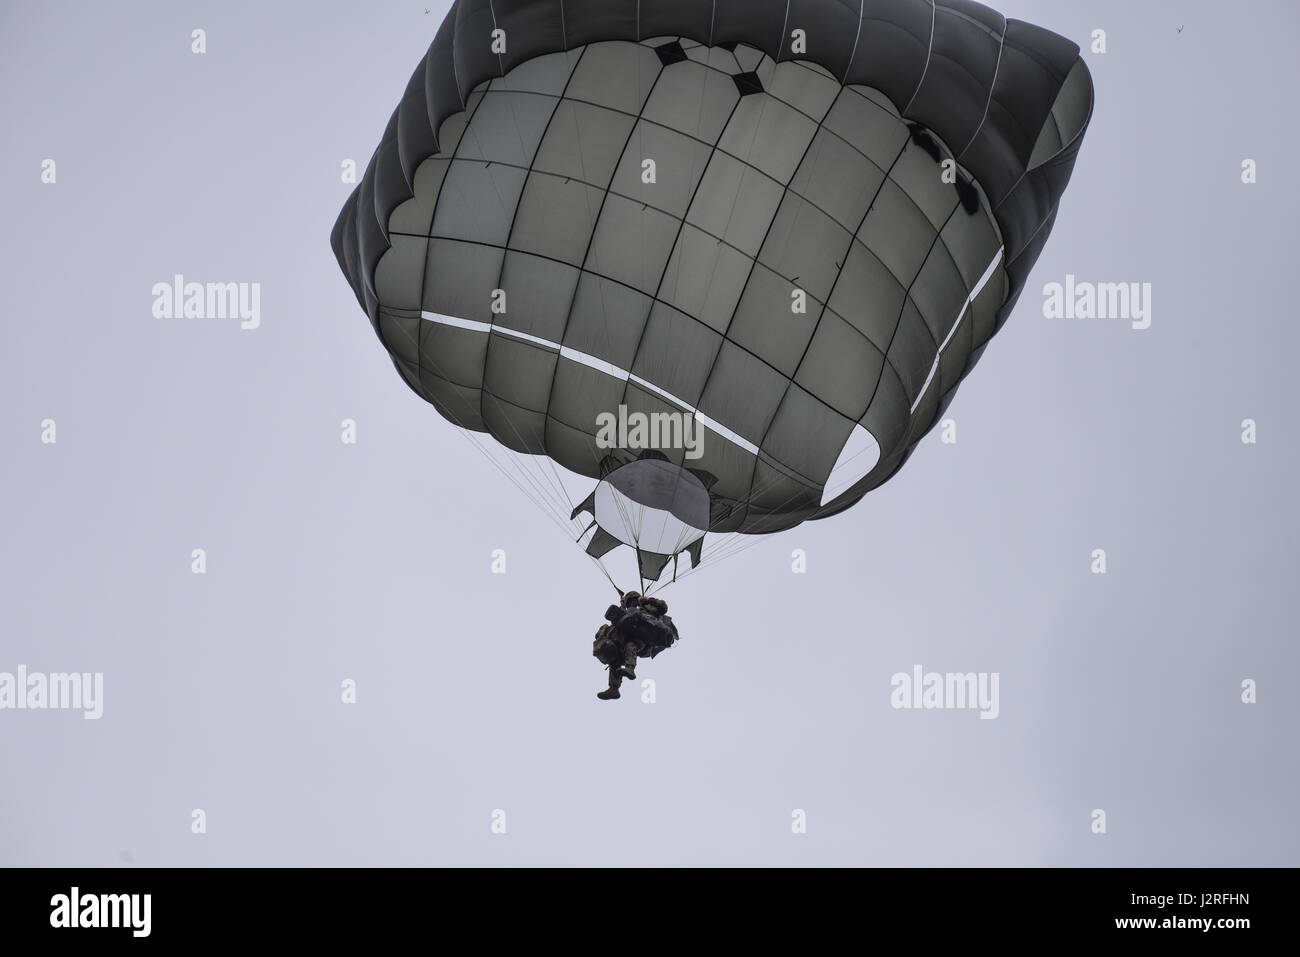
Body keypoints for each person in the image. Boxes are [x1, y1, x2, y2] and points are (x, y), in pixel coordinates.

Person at [592, 591, 679, 700]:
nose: (632, 604)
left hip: (646, 635)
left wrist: (647, 601)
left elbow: (663, 607)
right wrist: (622, 607)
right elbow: (622, 621)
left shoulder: (649, 606)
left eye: (633, 601)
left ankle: (630, 669)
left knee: (631, 645)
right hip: (630, 639)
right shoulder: (632, 612)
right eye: (629, 603)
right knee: (615, 660)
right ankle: (614, 689)